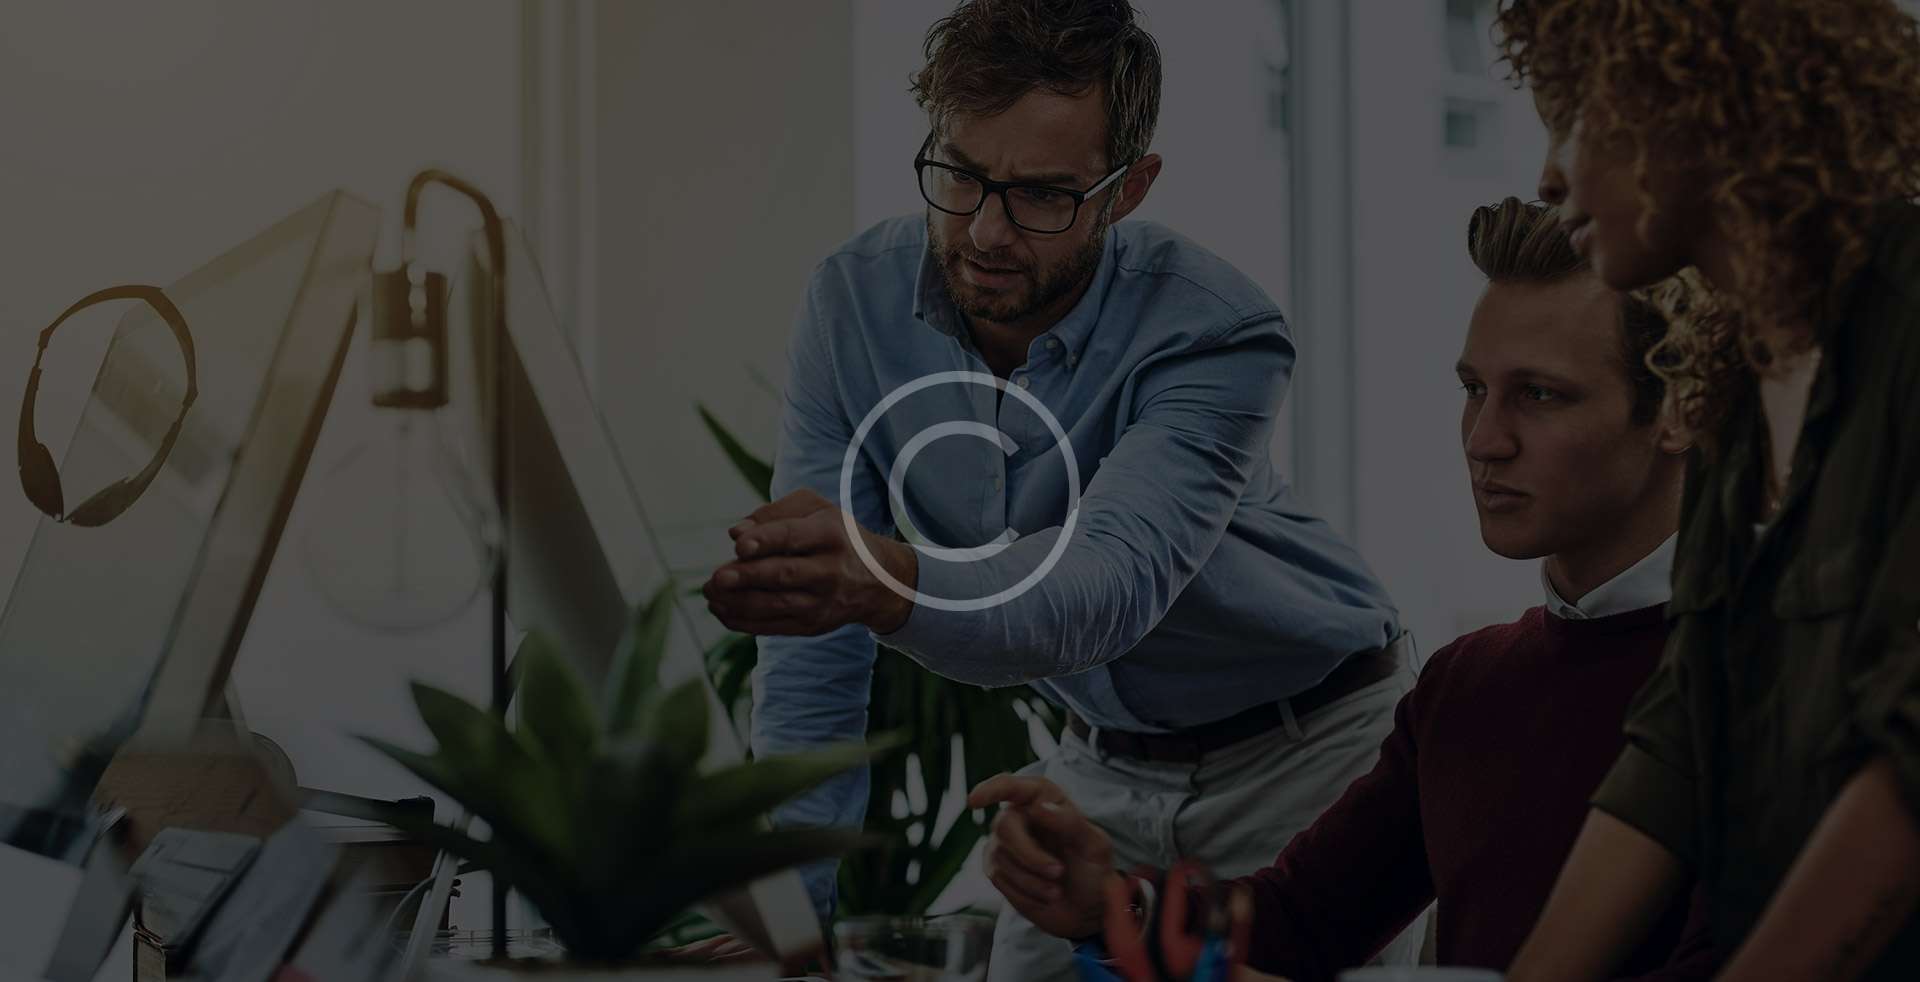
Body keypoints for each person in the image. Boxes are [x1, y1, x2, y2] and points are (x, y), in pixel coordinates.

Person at [699, 1, 1416, 976]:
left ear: (1129, 189)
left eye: (1042, 195)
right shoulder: (852, 305)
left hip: (1309, 757)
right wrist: (788, 924)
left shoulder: (1219, 331)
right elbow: (812, 641)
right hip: (1102, 766)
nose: (986, 231)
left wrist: (881, 578)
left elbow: (1101, 588)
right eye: (960, 175)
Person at [970, 198, 1718, 981]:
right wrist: (1108, 909)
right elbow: (1298, 921)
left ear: (1680, 410)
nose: (1484, 440)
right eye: (1474, 389)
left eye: (1540, 394)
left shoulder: (1759, 681)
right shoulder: (1469, 685)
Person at [1484, 2, 1920, 980]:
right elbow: (1680, 739)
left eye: (1571, 116)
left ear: (1687, 98)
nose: (1548, 175)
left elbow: (1910, 762)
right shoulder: (1738, 381)